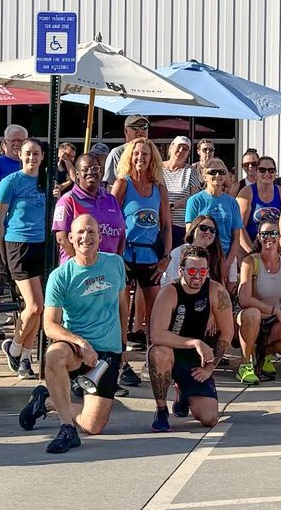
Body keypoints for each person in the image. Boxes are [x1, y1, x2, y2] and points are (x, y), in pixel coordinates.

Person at [20, 214, 127, 454]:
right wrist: (80, 343)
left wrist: (124, 344)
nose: (85, 237)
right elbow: (49, 325)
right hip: (75, 348)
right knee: (53, 355)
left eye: (91, 232)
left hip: (108, 352)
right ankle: (67, 428)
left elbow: (122, 305)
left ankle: (46, 401)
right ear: (70, 238)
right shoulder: (60, 276)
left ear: (100, 237)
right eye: (79, 232)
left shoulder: (115, 264)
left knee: (93, 426)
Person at [147, 243, 229, 432]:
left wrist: (210, 367)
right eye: (192, 270)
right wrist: (194, 342)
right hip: (171, 353)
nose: (197, 276)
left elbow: (226, 333)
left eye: (202, 271)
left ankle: (184, 394)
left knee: (209, 418)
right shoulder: (169, 292)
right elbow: (157, 335)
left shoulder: (215, 291)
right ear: (181, 270)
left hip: (196, 360)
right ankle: (161, 409)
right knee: (158, 353)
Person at [0, 140, 52, 379]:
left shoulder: (46, 181)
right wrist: (4, 252)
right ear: (20, 154)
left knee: (40, 308)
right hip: (18, 244)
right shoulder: (11, 181)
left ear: (42, 156)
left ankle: (25, 357)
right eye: (27, 153)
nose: (31, 158)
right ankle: (14, 346)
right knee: (34, 306)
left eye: (36, 154)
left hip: (42, 244)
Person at [113, 140, 171, 347]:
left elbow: (166, 226)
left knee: (154, 312)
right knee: (121, 310)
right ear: (130, 156)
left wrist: (166, 258)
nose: (140, 157)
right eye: (136, 153)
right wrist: (114, 255)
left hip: (151, 256)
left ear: (152, 158)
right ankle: (120, 359)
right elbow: (110, 220)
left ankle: (153, 357)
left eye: (145, 154)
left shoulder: (159, 189)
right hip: (125, 255)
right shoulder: (122, 184)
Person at [236, 221, 281, 383]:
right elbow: (244, 299)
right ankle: (245, 365)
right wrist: (275, 311)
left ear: (280, 237)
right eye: (265, 234)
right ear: (258, 237)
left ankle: (264, 355)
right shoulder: (250, 262)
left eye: (274, 233)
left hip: (273, 320)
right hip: (248, 318)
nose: (269, 238)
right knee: (253, 314)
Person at [187, 161, 248, 282]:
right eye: (212, 172)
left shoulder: (232, 202)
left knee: (225, 296)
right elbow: (190, 233)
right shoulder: (194, 201)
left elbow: (236, 237)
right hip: (203, 257)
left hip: (227, 256)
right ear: (204, 176)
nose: (217, 175)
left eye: (221, 172)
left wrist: (227, 264)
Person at [237, 155, 281, 237]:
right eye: (262, 170)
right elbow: (239, 229)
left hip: (275, 244)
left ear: (275, 172)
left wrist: (279, 249)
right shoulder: (246, 193)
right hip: (251, 243)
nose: (267, 173)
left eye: (271, 170)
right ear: (256, 171)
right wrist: (251, 249)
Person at [100, 115, 151, 182]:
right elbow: (109, 184)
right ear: (125, 131)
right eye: (135, 127)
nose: (140, 130)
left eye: (144, 127)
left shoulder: (152, 151)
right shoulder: (117, 153)